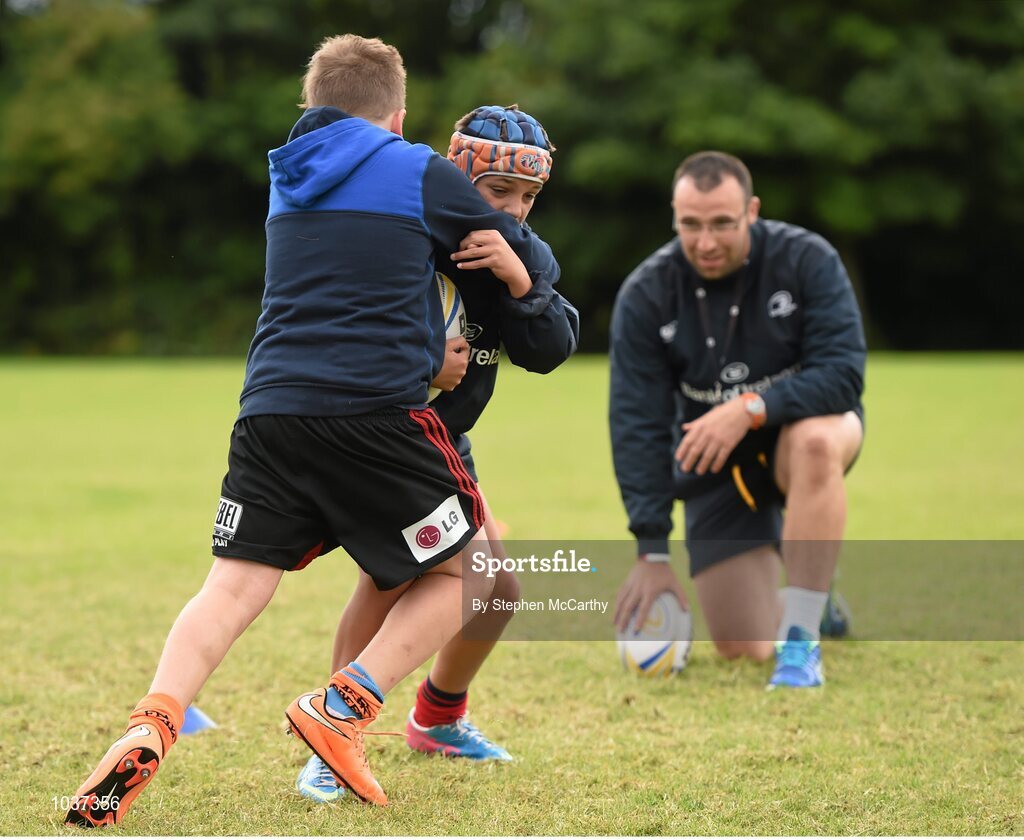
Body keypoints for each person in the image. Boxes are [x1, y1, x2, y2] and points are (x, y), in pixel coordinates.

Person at [64, 35, 562, 826]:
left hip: (267, 413)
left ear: (309, 109)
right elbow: (514, 247)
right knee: (478, 573)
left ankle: (152, 719)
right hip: (371, 416)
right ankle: (345, 705)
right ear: (398, 120)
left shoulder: (286, 175)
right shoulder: (418, 172)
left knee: (231, 586)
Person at [295, 104, 579, 803]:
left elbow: (549, 350)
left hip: (445, 443)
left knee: (497, 590)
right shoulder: (400, 226)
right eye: (497, 193)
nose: (513, 210)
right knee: (392, 580)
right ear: (456, 173)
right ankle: (334, 735)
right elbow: (343, 319)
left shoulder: (522, 249)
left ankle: (438, 717)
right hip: (377, 433)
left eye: (527, 198)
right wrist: (423, 365)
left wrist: (519, 281)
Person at [609, 151, 865, 689]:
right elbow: (638, 423)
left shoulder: (808, 259)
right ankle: (816, 594)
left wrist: (750, 410)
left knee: (816, 441)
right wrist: (651, 548)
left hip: (805, 440)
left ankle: (801, 641)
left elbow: (843, 376)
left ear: (751, 210)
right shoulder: (646, 293)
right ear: (674, 215)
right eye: (690, 225)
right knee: (742, 647)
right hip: (719, 466)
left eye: (722, 223)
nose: (705, 242)